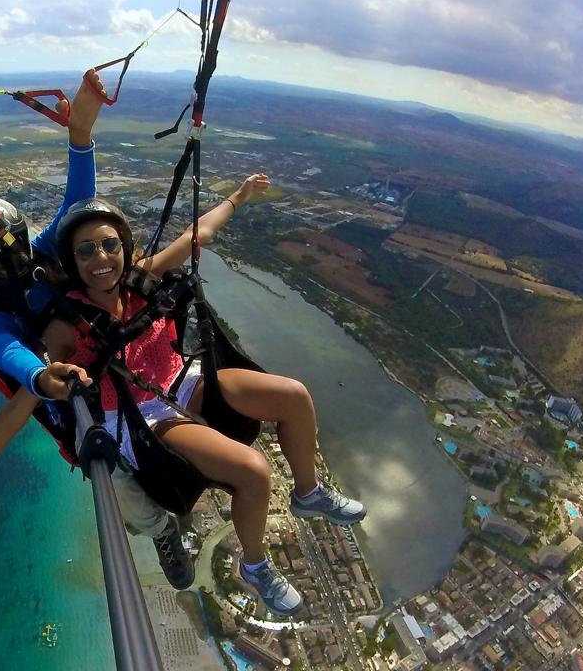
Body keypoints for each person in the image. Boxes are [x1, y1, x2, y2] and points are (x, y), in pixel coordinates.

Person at [0, 70, 194, 589]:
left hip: (113, 361)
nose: (8, 264)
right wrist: (43, 377)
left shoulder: (45, 254)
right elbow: (8, 353)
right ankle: (161, 532)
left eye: (13, 248)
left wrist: (81, 136)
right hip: (75, 399)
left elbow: (78, 203)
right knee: (121, 487)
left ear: (26, 238)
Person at [38, 182, 366, 617]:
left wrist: (241, 195)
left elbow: (199, 234)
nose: (100, 257)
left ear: (124, 247)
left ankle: (307, 492)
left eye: (109, 244)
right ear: (71, 261)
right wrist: (56, 375)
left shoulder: (142, 279)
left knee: (293, 397)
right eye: (85, 251)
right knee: (253, 472)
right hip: (142, 417)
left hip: (182, 381)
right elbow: (43, 373)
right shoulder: (67, 322)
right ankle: (255, 566)